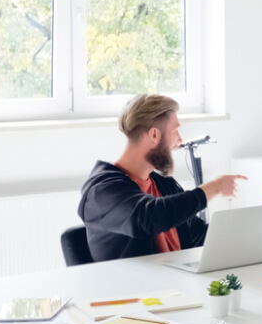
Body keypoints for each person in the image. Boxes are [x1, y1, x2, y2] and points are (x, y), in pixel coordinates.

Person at [79, 94, 244, 262]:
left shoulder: (163, 185)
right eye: (175, 131)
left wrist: (252, 228)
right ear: (154, 135)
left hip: (174, 282)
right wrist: (212, 188)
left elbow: (198, 234)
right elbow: (150, 217)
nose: (180, 141)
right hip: (137, 286)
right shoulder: (102, 191)